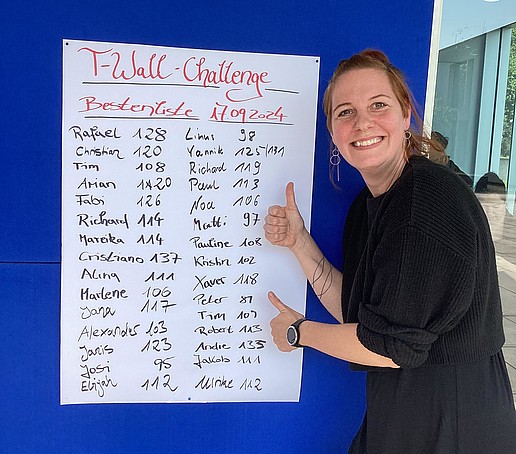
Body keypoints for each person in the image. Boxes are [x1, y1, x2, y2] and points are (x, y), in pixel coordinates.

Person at [263, 49, 516, 453]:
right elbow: (360, 315)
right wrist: (298, 242)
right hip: (403, 408)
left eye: (378, 105)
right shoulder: (371, 205)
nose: (362, 122)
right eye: (344, 112)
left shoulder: (425, 200)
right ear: (332, 132)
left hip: (454, 417)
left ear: (405, 116)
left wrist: (299, 332)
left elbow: (388, 346)